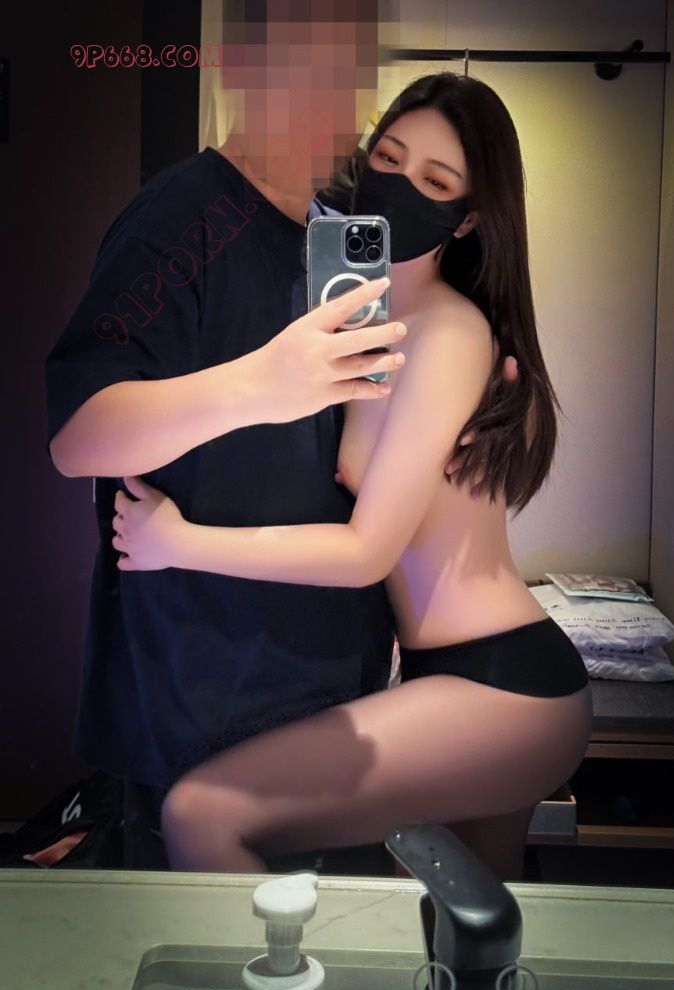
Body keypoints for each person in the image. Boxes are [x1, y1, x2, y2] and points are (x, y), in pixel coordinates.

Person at [45, 3, 522, 871]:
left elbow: (356, 469)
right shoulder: (178, 221)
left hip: (334, 691)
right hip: (199, 697)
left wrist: (468, 413)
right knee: (214, 936)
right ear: (238, 67)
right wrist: (261, 385)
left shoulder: (339, 235)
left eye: (344, 70)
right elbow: (80, 440)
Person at [111, 71, 593, 883]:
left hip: (503, 684)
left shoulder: (448, 334)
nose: (399, 186)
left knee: (203, 812)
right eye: (388, 158)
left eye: (435, 181)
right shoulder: (364, 324)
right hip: (455, 674)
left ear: (468, 218)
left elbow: (368, 552)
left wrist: (177, 541)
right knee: (456, 928)